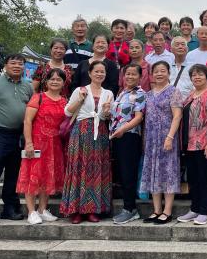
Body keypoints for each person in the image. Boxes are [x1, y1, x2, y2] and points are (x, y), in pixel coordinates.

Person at [0, 54, 33, 224]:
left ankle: (10, 208)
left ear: (24, 67)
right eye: (13, 63)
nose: (17, 66)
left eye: (20, 64)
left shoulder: (28, 86)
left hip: (18, 135)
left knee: (13, 174)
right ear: (5, 65)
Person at [61, 60, 114, 224]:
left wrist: (107, 112)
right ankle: (76, 210)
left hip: (100, 133)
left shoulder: (108, 93)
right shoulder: (80, 90)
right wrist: (79, 100)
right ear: (90, 73)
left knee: (96, 169)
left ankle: (92, 209)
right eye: (96, 71)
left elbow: (107, 117)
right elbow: (67, 112)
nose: (99, 74)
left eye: (102, 71)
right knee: (79, 168)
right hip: (81, 132)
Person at [17, 68, 67, 225]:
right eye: (52, 79)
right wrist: (28, 143)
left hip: (55, 144)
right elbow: (27, 121)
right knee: (32, 176)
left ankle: (42, 209)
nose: (55, 82)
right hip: (37, 142)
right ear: (46, 81)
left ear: (63, 83)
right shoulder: (38, 98)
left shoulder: (64, 101)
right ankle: (31, 211)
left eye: (58, 79)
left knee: (48, 176)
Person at [177, 64, 207, 225]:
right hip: (190, 144)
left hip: (205, 143)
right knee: (193, 179)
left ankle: (205, 211)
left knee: (205, 178)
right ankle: (194, 209)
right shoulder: (192, 94)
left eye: (200, 74)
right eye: (194, 75)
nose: (197, 77)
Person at [140, 61, 184, 224]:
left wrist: (170, 137)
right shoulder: (148, 94)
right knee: (153, 172)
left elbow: (177, 116)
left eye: (162, 71)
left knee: (168, 172)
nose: (159, 74)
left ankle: (167, 211)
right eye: (156, 71)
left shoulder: (174, 92)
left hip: (167, 137)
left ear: (168, 73)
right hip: (151, 139)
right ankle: (157, 210)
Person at [109, 64, 146, 224]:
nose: (130, 77)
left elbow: (138, 117)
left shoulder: (140, 94)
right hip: (118, 137)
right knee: (122, 174)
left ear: (140, 77)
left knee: (128, 173)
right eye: (127, 74)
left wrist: (123, 129)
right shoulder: (122, 93)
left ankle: (130, 209)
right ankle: (127, 207)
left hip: (129, 136)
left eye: (133, 74)